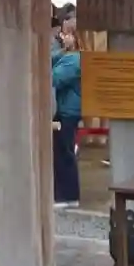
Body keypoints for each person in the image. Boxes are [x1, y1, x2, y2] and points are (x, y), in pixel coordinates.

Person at [51, 12, 82, 209]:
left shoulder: (74, 59)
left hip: (68, 112)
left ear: (75, 36)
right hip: (66, 110)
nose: (62, 37)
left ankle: (68, 196)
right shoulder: (68, 55)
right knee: (61, 151)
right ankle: (63, 194)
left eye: (66, 34)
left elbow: (54, 77)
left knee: (64, 153)